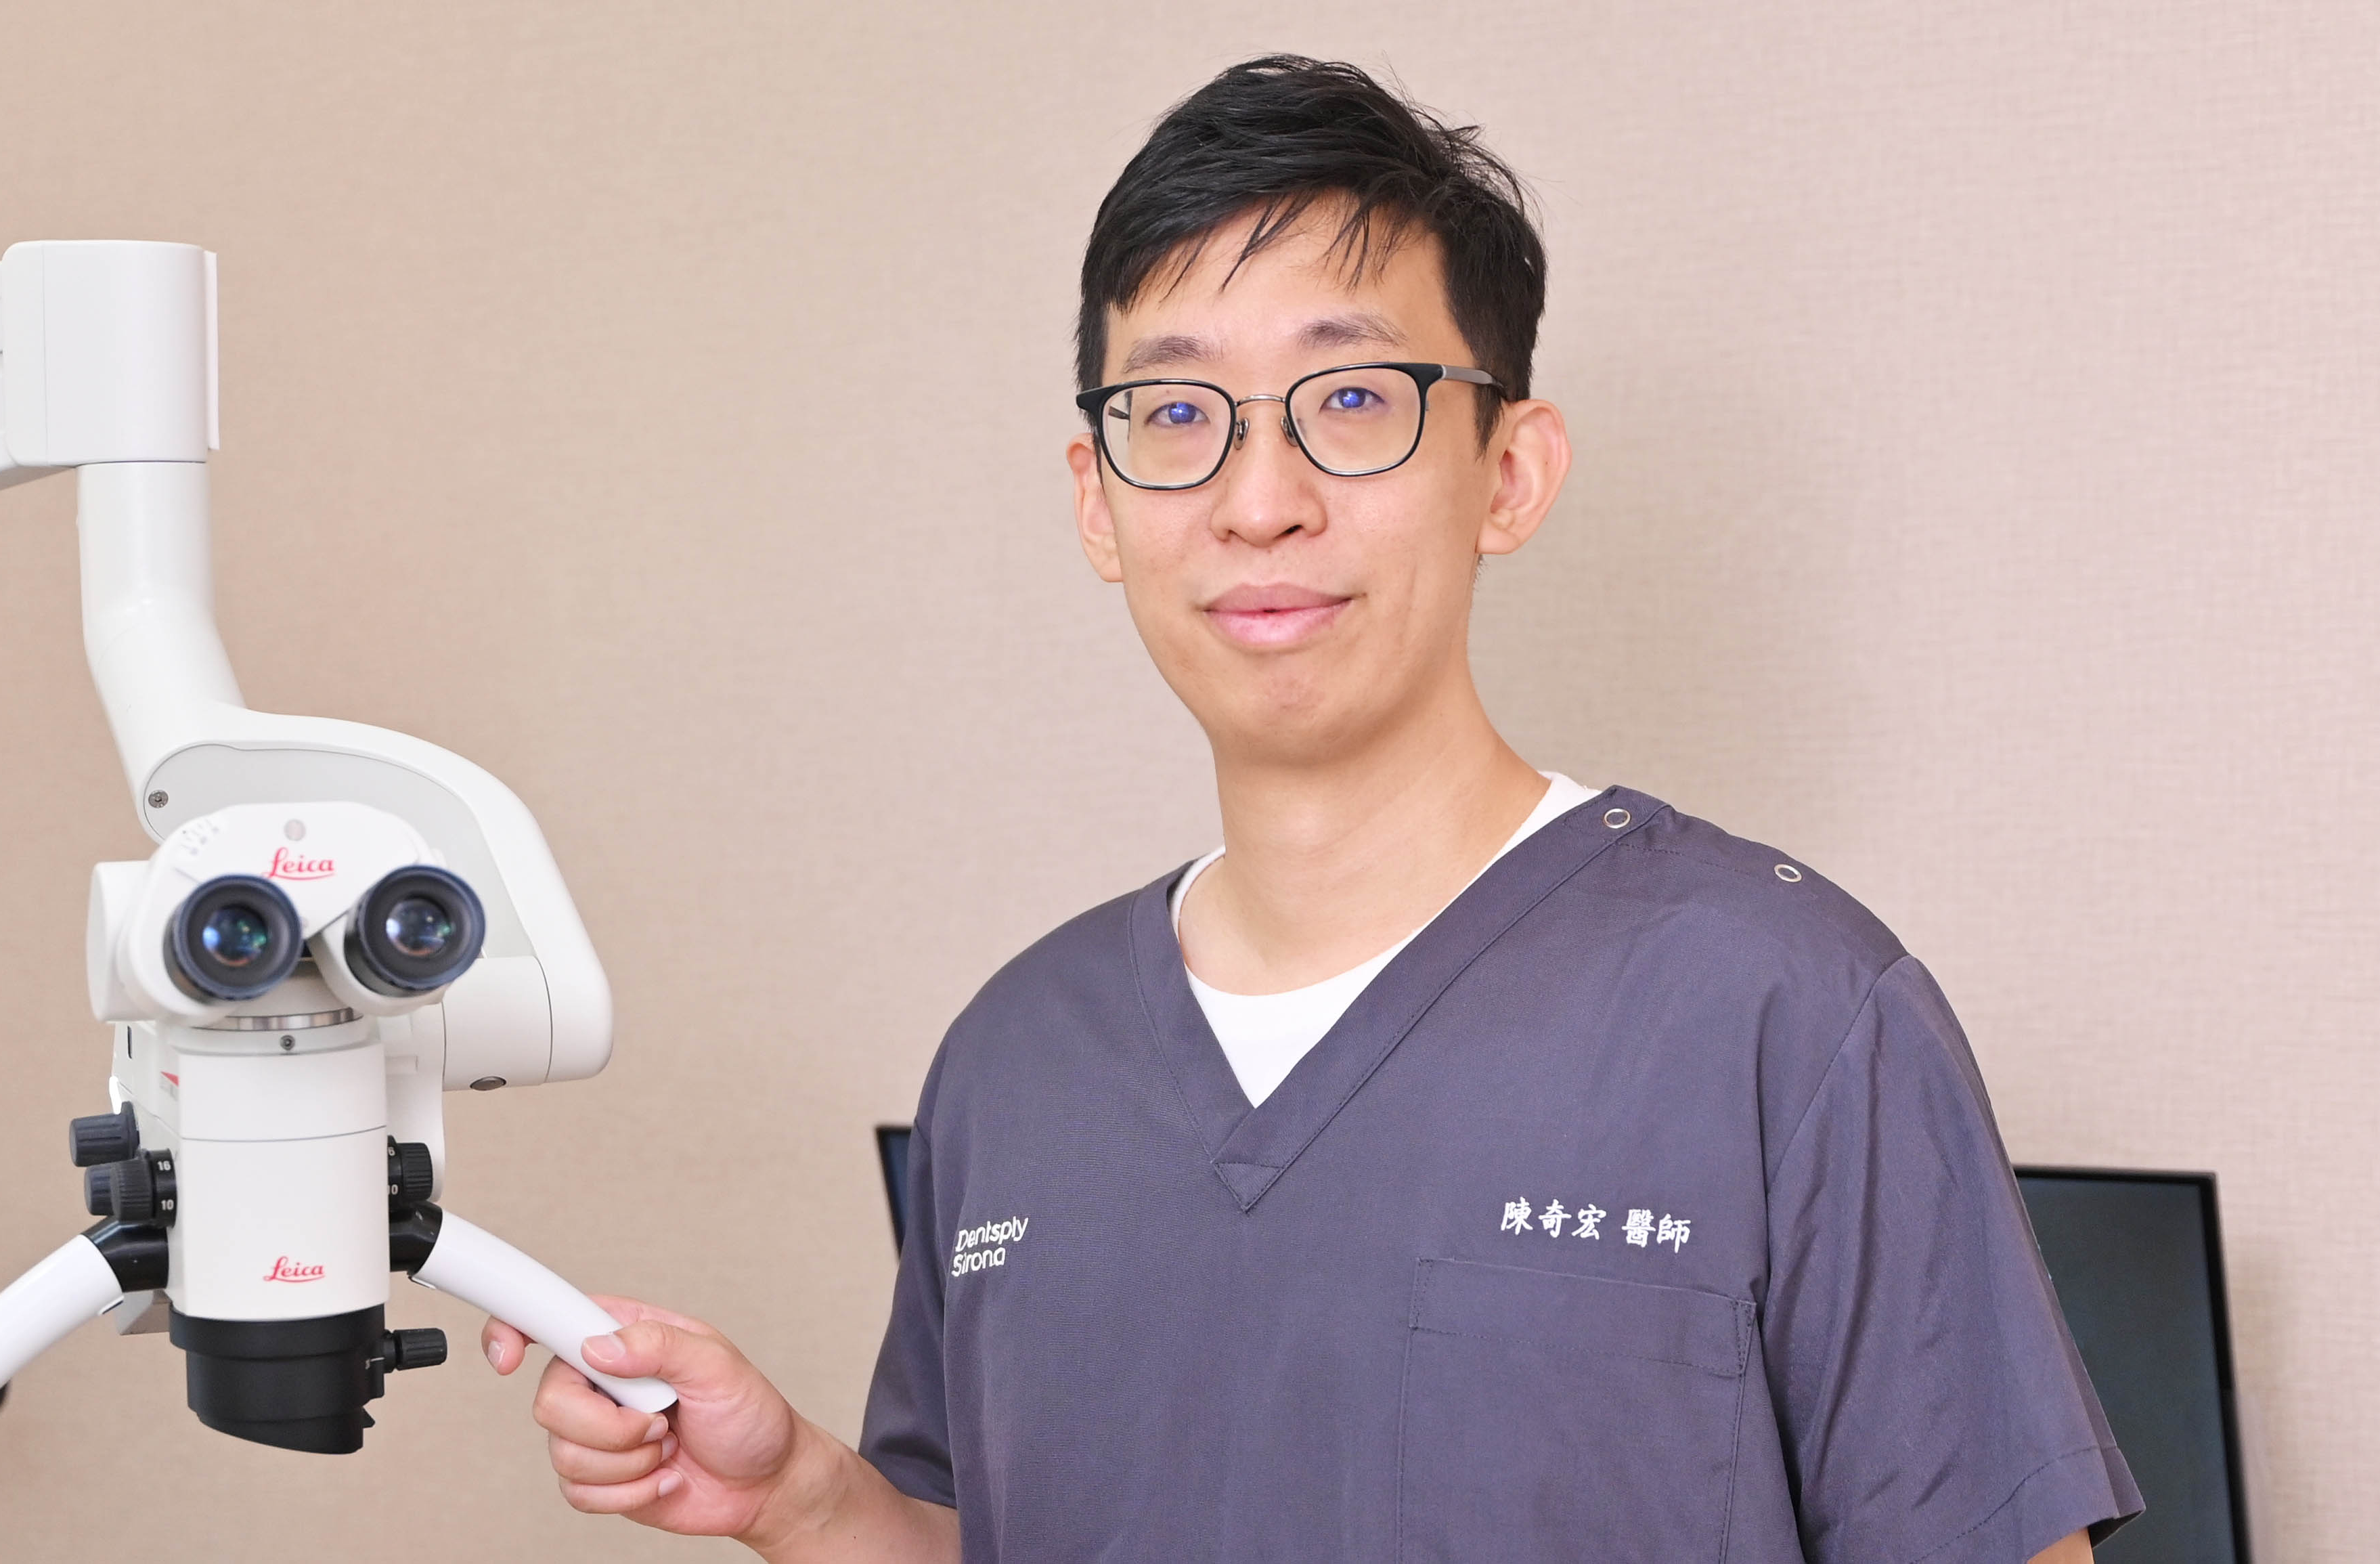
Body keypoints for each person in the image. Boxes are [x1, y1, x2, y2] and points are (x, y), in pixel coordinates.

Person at [484, 56, 2142, 1563]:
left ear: (1509, 473)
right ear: (1097, 502)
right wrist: (803, 1500)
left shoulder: (1783, 1007)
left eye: (1351, 401)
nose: (1258, 501)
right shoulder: (1017, 1059)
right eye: (1174, 414)